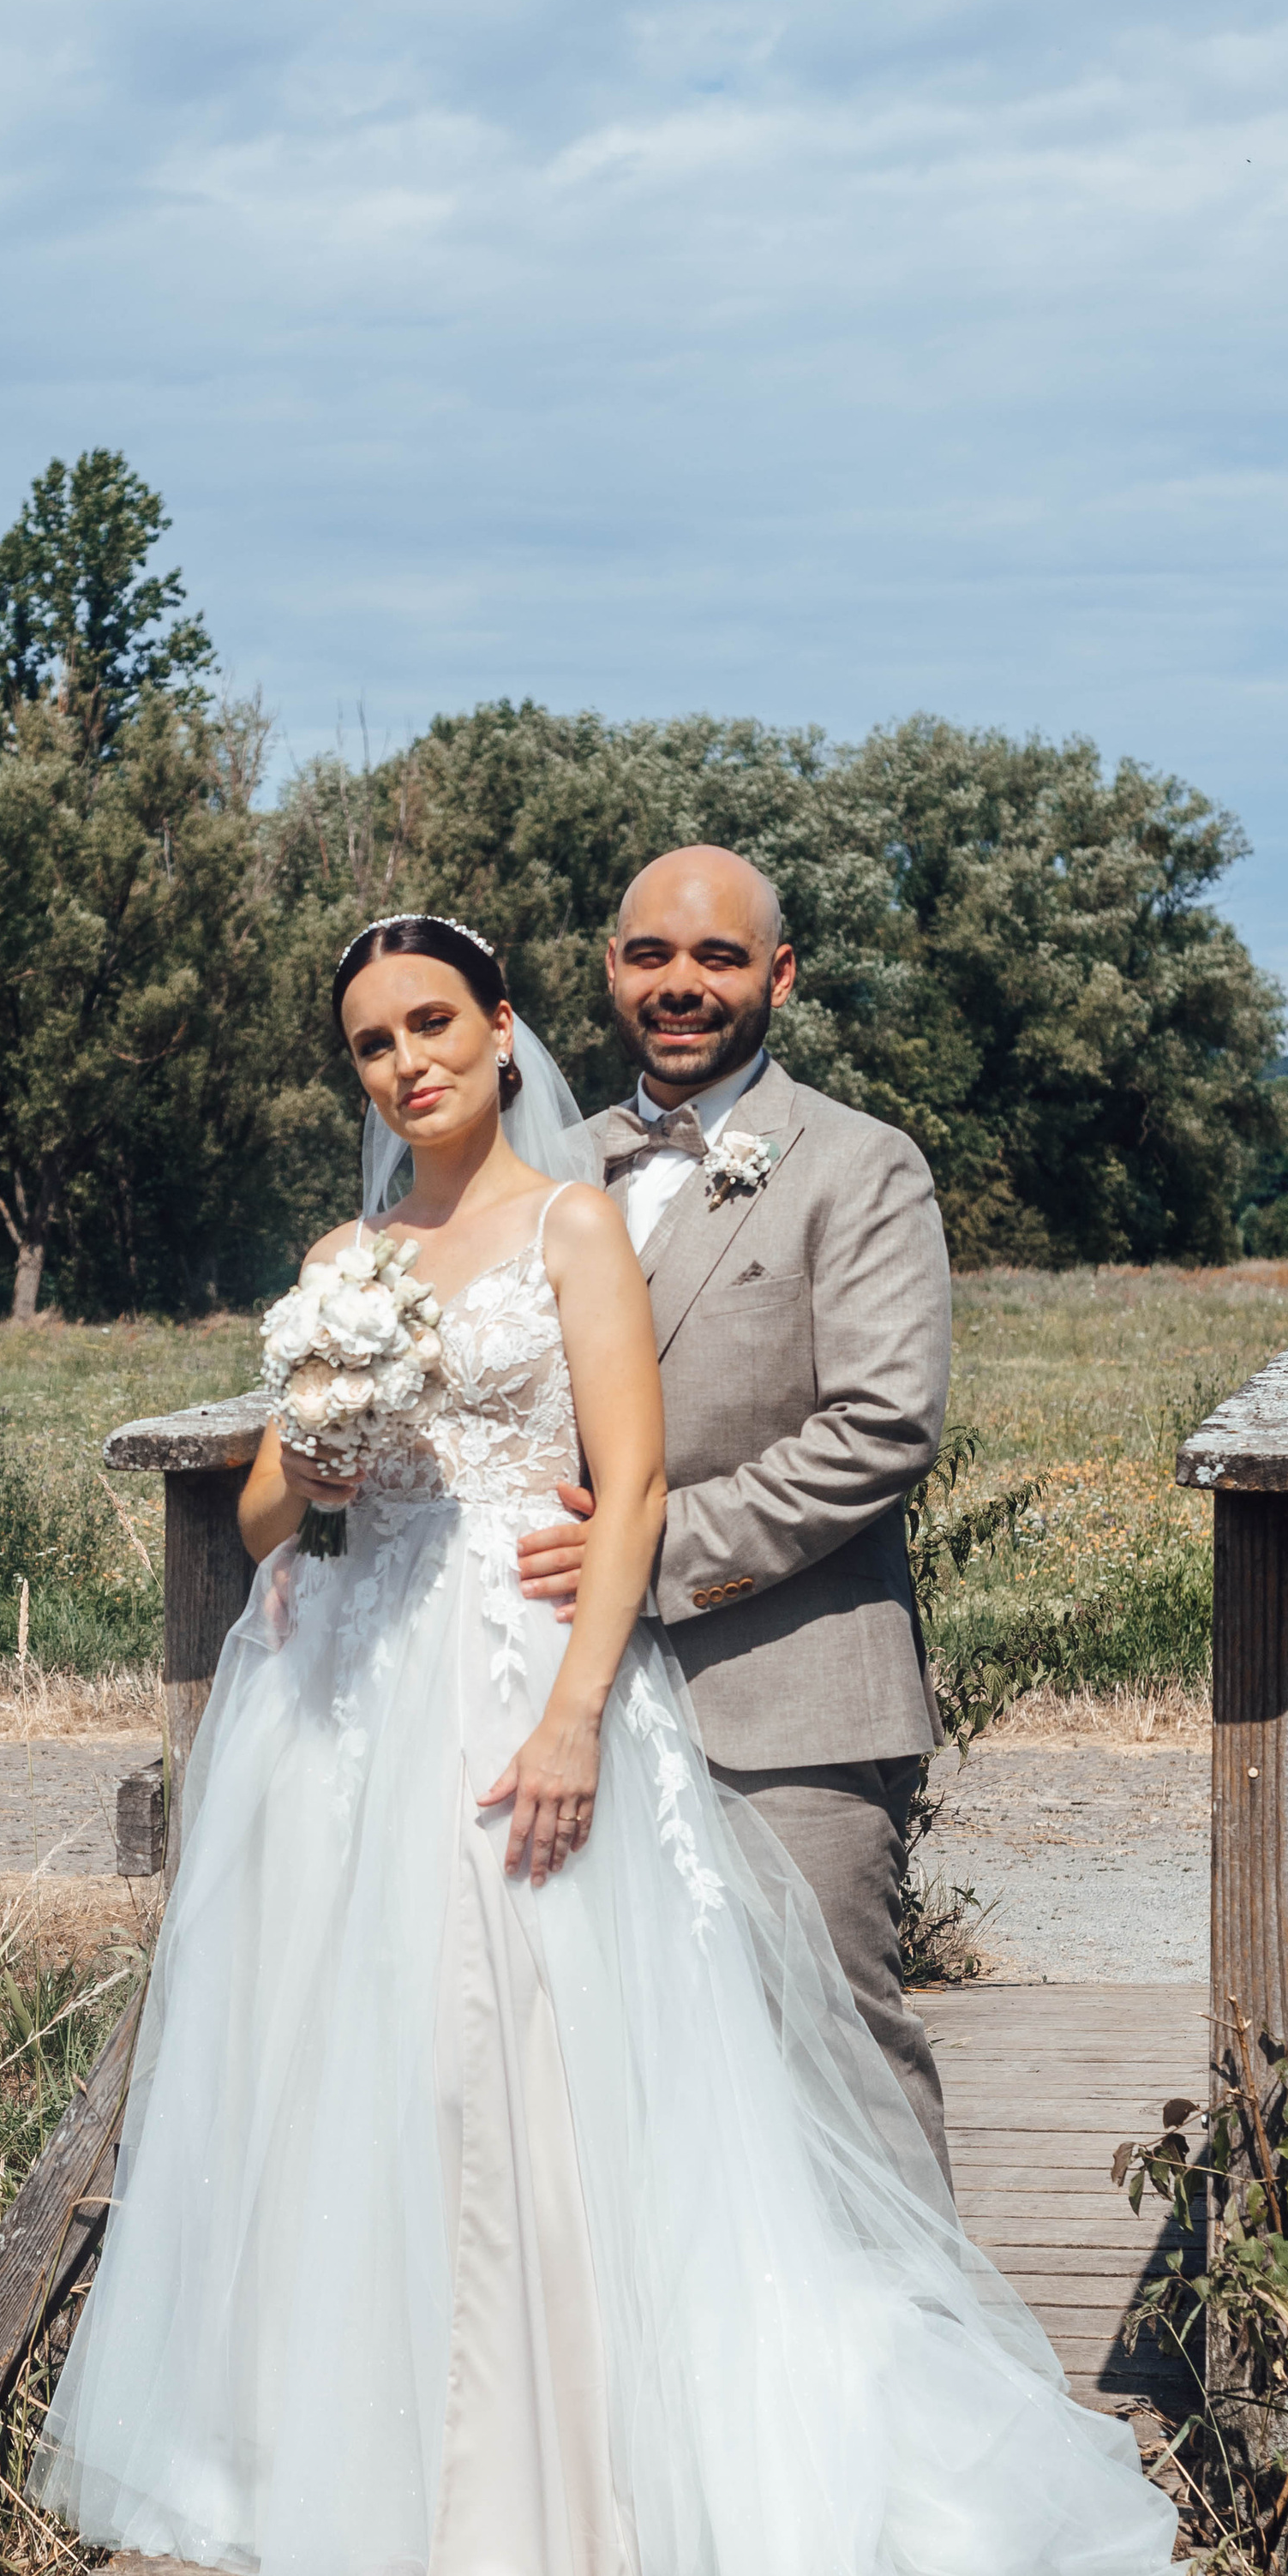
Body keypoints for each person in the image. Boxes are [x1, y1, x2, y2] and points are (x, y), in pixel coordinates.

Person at [29, 914, 1190, 2576]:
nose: (404, 1062)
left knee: (532, 2082)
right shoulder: (342, 1255)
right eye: (368, 1043)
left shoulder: (572, 1227)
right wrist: (319, 1453)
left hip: (518, 1672)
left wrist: (575, 1718)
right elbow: (267, 1504)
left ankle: (543, 2519)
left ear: (502, 1033)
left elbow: (630, 1485)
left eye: (432, 1024)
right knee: (382, 2076)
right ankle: (370, 2472)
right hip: (368, 1687)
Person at [518, 847, 953, 2177]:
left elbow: (881, 1427)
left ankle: (922, 2382)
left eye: (716, 957)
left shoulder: (862, 1167)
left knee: (834, 2063)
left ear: (780, 973)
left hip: (791, 1706)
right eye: (652, 956)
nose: (681, 985)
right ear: (610, 973)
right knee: (601, 2064)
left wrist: (640, 1561)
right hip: (555, 1709)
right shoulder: (546, 1173)